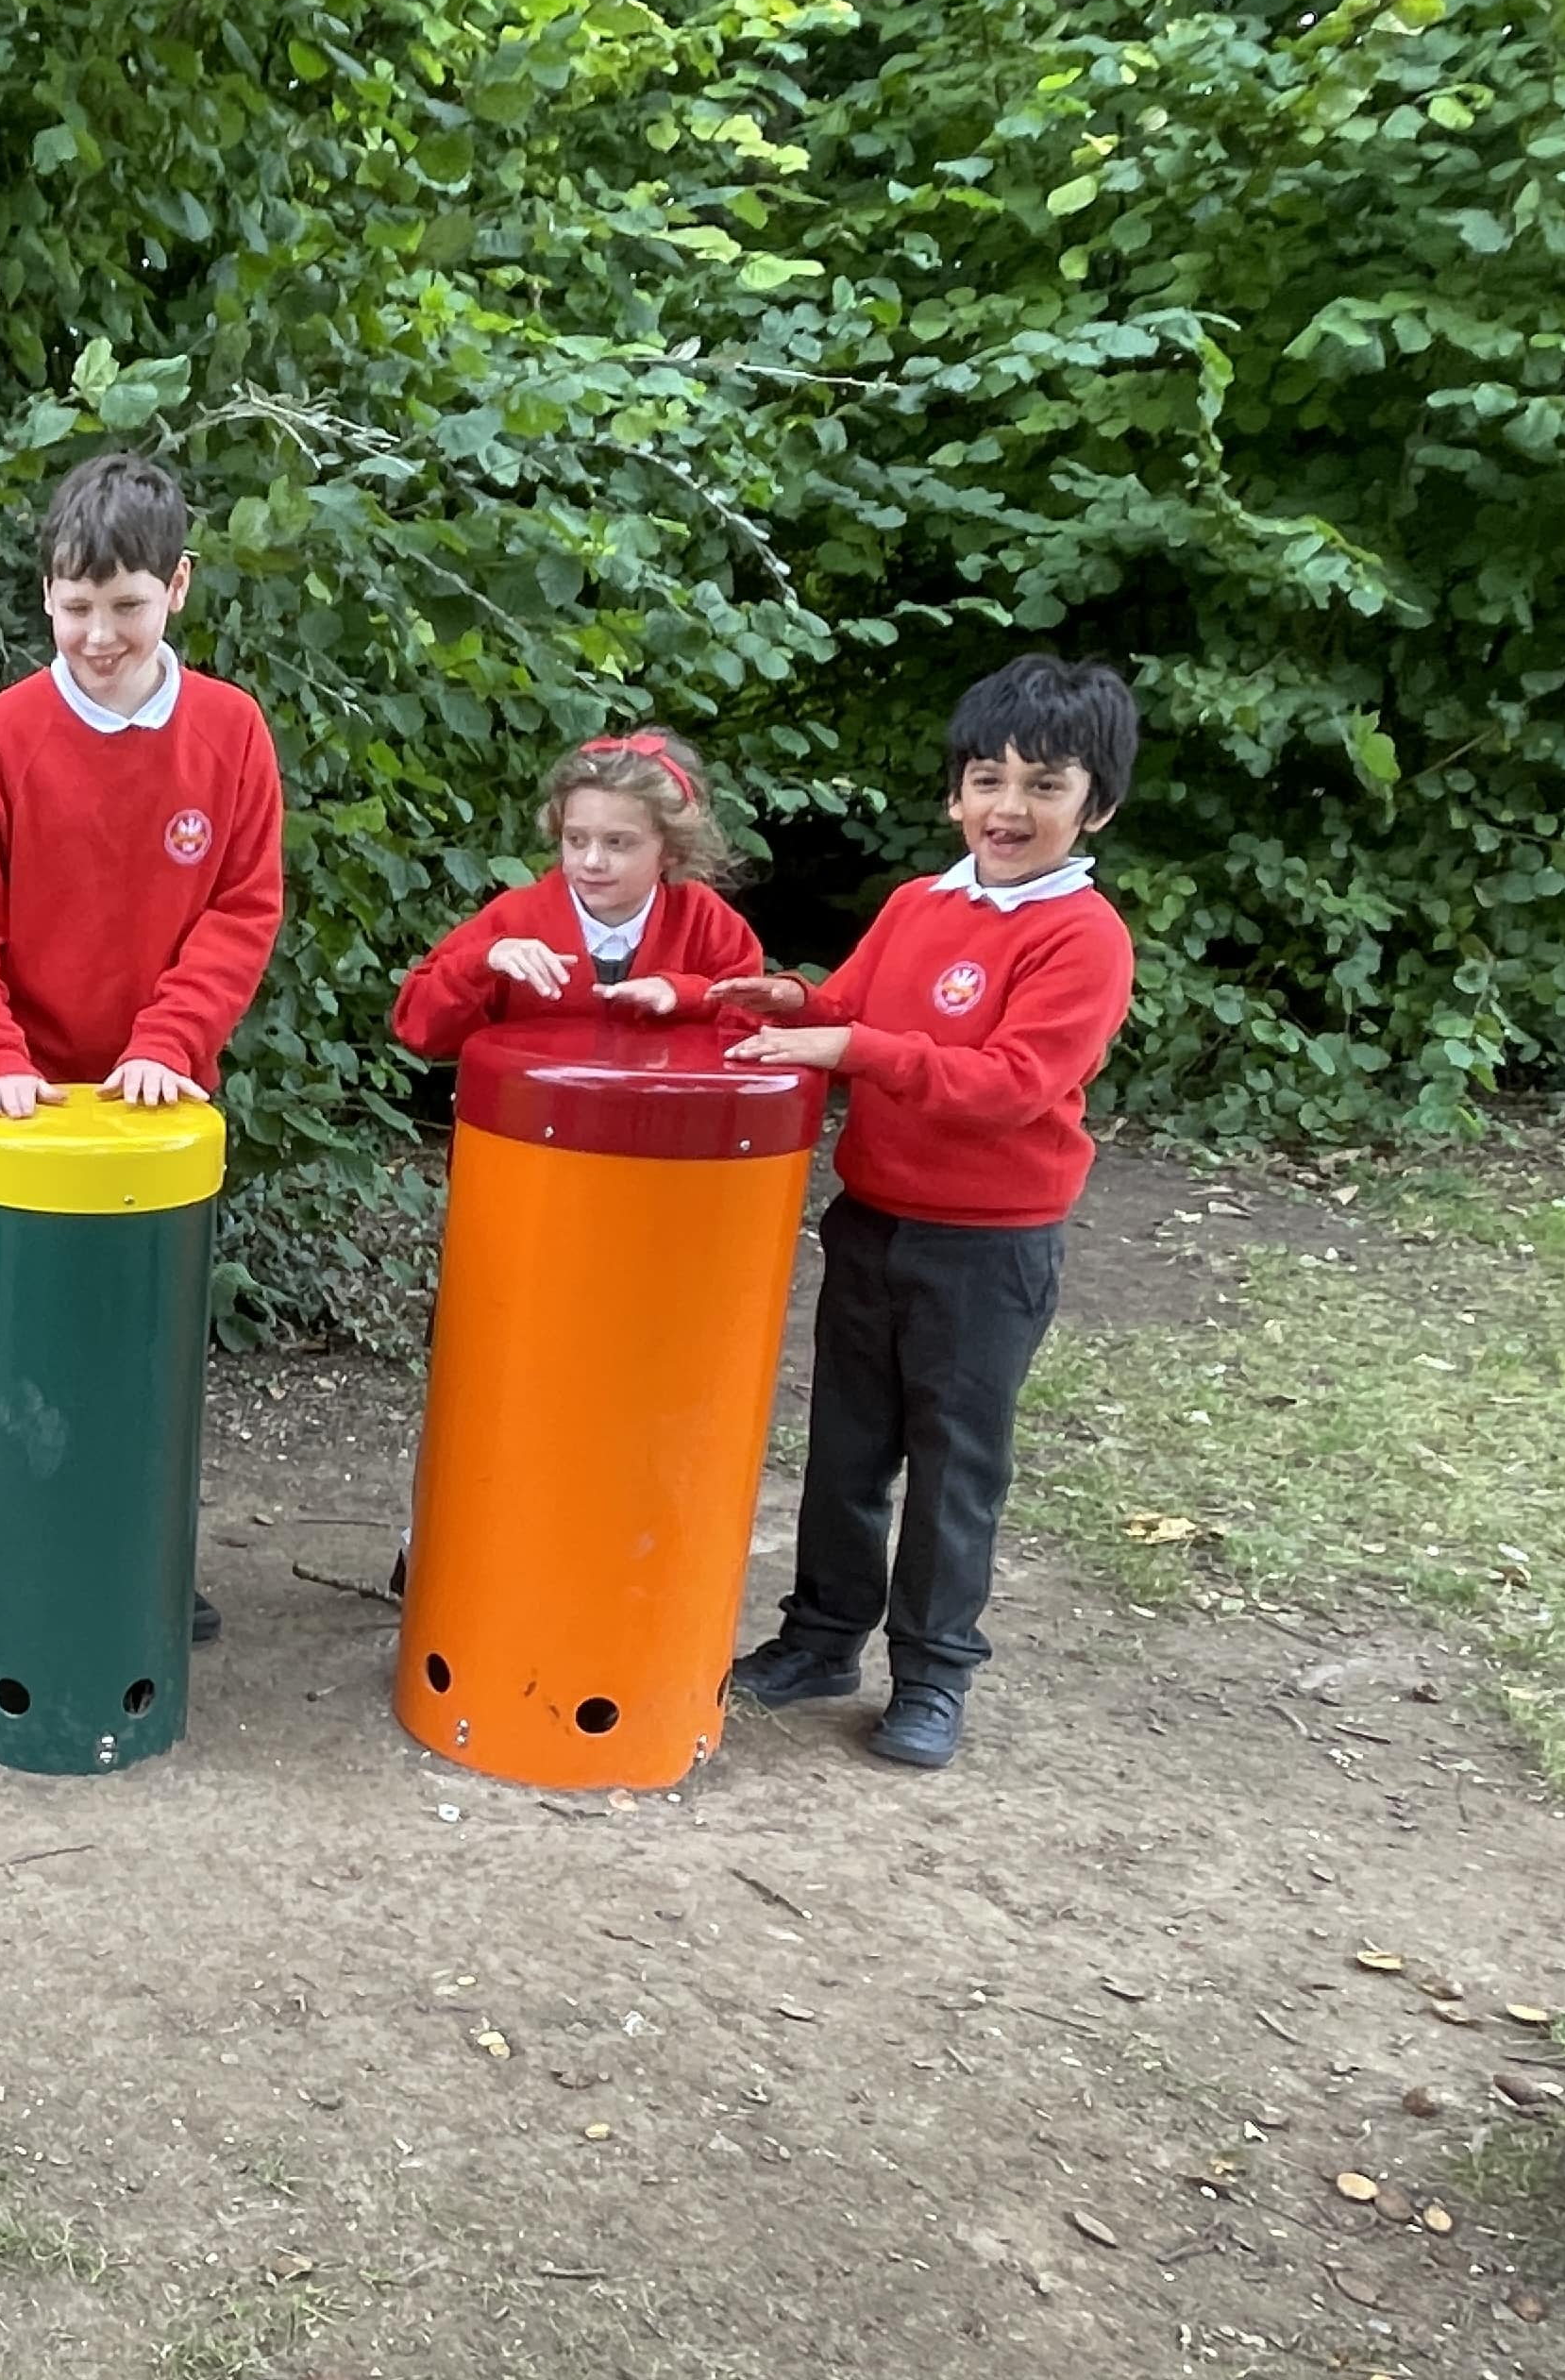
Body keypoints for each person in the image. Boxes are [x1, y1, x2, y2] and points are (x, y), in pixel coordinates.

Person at [713, 654, 1143, 1770]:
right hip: (872, 1224)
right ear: (955, 793)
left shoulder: (1082, 938)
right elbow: (849, 1008)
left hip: (989, 1252)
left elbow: (1010, 1084)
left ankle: (934, 1675)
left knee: (956, 1470)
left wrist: (850, 1044)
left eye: (1045, 786)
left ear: (1094, 805)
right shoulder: (918, 903)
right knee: (847, 1452)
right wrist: (791, 1001)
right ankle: (819, 1642)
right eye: (988, 780)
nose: (1010, 808)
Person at [0, 449, 285, 1642]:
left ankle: (141, 1565)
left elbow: (242, 908)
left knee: (147, 1354)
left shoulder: (230, 734)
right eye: (78, 608)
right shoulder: (0, 739)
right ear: (46, 598)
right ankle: (8, 1559)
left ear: (177, 587)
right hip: (22, 1108)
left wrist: (171, 1040)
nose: (101, 635)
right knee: (18, 1353)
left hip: (160, 1107)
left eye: (127, 606)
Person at [390, 730, 764, 1055]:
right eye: (576, 840)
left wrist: (682, 994)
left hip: (660, 1128)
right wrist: (483, 963)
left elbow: (751, 1024)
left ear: (670, 850)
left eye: (617, 843)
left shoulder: (704, 918)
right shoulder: (516, 918)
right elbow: (418, 1028)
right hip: (530, 1127)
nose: (592, 861)